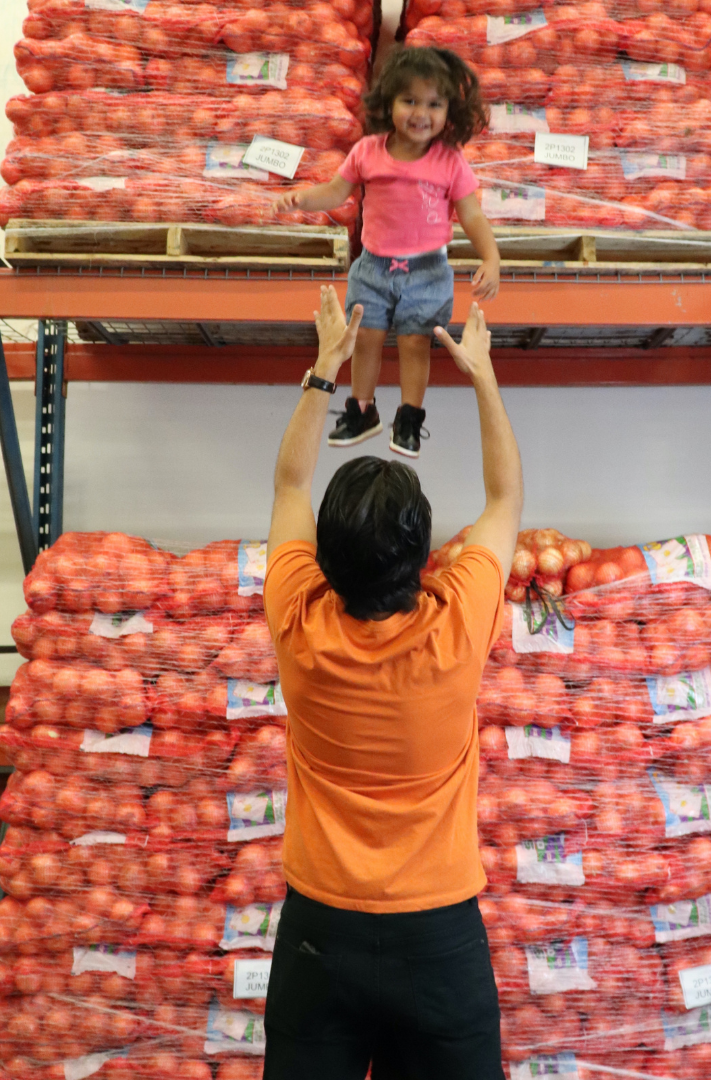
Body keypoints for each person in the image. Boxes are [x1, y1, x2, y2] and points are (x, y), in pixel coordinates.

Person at [261, 284, 523, 1080]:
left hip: (319, 936)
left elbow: (289, 487)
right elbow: (506, 497)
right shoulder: (457, 623)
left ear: (324, 559)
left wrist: (326, 369)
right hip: (438, 938)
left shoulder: (299, 620)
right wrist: (481, 376)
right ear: (424, 557)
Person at [273, 47, 501, 458]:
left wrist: (491, 258)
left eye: (434, 104)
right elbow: (336, 192)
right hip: (373, 268)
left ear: (450, 111)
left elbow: (471, 215)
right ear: (388, 103)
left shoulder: (450, 161)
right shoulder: (368, 151)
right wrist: (302, 200)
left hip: (427, 272)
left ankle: (410, 417)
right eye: (409, 101)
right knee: (364, 338)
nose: (421, 113)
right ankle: (362, 410)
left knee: (415, 343)